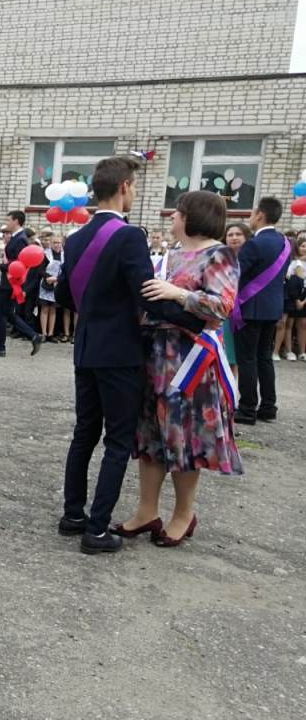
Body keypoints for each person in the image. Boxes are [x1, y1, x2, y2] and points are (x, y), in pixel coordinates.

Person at [54, 156, 207, 555]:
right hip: (120, 351)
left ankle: (73, 516)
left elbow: (65, 295)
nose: (135, 193)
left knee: (84, 433)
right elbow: (148, 296)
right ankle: (97, 529)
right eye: (135, 187)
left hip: (86, 348)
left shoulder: (76, 239)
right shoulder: (129, 236)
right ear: (124, 187)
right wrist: (194, 320)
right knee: (118, 440)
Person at [107, 191, 242, 548]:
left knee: (185, 437)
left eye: (178, 212)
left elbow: (222, 307)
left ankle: (183, 514)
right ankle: (146, 511)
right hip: (155, 355)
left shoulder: (219, 254)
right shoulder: (172, 254)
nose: (172, 217)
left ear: (194, 216)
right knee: (150, 434)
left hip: (189, 360)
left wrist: (178, 294)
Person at [232, 197, 292, 425]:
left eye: (252, 212)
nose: (250, 216)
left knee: (247, 359)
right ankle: (268, 406)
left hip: (250, 309)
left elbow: (235, 274)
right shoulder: (285, 242)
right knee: (264, 357)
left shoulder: (254, 244)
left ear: (260, 215)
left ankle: (247, 409)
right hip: (273, 308)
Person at [0, 210, 43, 357]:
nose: (7, 222)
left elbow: (19, 263)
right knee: (7, 313)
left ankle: (0, 347)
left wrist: (1, 266)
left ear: (16, 221)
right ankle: (33, 336)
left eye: (8, 220)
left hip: (11, 282)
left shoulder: (20, 239)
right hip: (9, 281)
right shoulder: (17, 237)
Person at [222, 222, 252, 375]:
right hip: (222, 311)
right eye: (230, 235)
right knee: (224, 355)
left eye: (238, 234)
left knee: (234, 357)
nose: (234, 237)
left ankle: (232, 386)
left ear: (246, 237)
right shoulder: (219, 258)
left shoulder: (252, 259)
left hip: (243, 312)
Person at [277, 238, 306, 361]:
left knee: (303, 324)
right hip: (293, 296)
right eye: (302, 246)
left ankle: (302, 352)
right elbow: (295, 280)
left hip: (303, 296)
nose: (305, 248)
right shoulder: (294, 263)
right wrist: (298, 299)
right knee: (289, 323)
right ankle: (288, 350)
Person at [39, 234, 63, 339]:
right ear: (51, 243)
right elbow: (40, 270)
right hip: (46, 283)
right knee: (45, 309)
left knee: (53, 309)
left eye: (59, 242)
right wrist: (49, 277)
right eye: (55, 242)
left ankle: (51, 333)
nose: (57, 245)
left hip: (58, 283)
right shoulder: (46, 254)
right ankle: (44, 333)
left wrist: (57, 278)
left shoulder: (64, 255)